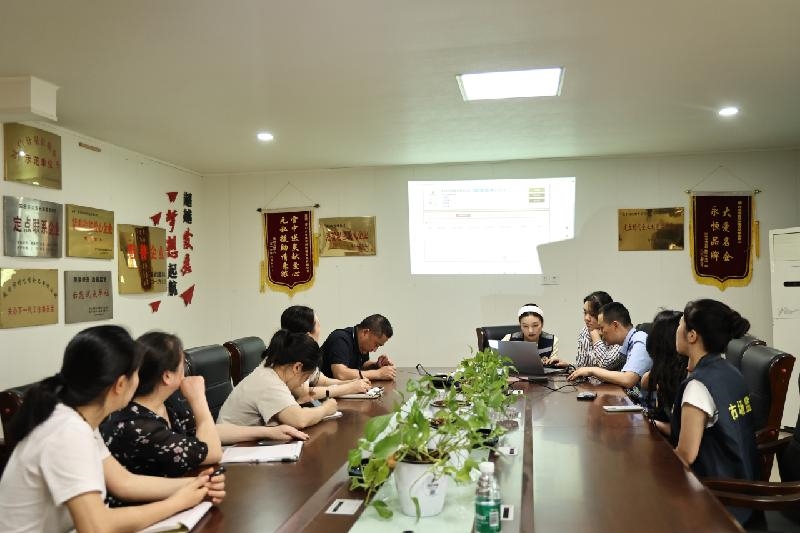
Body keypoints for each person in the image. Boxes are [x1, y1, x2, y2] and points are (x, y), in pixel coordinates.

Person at [0, 325, 225, 533]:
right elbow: (97, 527)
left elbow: (124, 483)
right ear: (120, 385)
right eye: (136, 374)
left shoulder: (78, 418)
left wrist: (197, 485)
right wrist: (176, 503)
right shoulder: (67, 432)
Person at [101, 332, 306, 483]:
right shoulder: (139, 423)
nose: (186, 369)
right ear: (167, 376)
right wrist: (199, 398)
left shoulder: (168, 402)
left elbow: (211, 431)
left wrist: (268, 432)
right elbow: (212, 452)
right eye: (182, 363)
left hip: (182, 489)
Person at [669, 299, 759, 525]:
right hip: (743, 492)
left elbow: (685, 456)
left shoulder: (699, 386)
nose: (676, 330)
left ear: (692, 335)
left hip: (716, 502)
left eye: (680, 324)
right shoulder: (730, 371)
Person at [218, 330, 338, 429]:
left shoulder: (271, 367)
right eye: (306, 378)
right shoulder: (269, 383)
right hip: (233, 447)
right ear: (297, 367)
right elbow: (299, 420)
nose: (302, 384)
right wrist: (326, 409)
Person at [281, 305, 371, 401]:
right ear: (308, 336)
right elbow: (304, 394)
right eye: (318, 324)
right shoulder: (290, 359)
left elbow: (323, 381)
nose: (320, 328)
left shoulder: (305, 354)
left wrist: (351, 382)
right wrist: (349, 388)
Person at [568, 302, 652, 388]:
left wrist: (593, 370)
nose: (600, 333)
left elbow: (628, 380)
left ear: (615, 325)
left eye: (602, 328)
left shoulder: (639, 341)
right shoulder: (629, 343)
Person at [640, 310, 687, 428]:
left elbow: (680, 431)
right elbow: (645, 383)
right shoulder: (667, 369)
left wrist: (653, 423)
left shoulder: (684, 375)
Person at [321, 314, 396, 381]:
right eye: (376, 344)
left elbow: (361, 365)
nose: (375, 350)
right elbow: (340, 374)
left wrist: (376, 365)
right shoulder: (340, 339)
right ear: (365, 332)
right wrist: (378, 374)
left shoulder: (361, 342)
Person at [575, 291, 623, 370]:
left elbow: (606, 365)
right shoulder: (585, 331)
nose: (586, 318)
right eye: (585, 312)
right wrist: (568, 366)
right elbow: (581, 367)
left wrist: (596, 338)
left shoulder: (618, 334)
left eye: (592, 314)